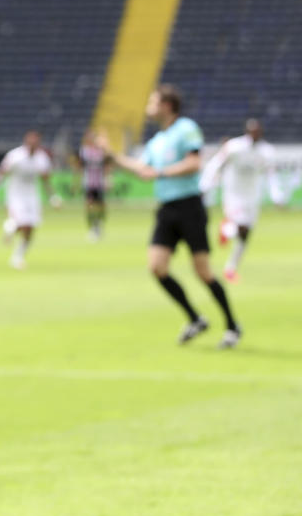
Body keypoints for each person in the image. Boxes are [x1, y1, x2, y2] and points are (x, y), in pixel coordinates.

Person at [99, 84, 241, 348]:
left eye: (152, 102)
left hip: (189, 207)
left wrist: (161, 173)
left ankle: (232, 326)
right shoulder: (158, 140)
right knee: (157, 267)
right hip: (167, 209)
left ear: (166, 105)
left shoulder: (186, 128)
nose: (148, 108)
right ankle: (195, 318)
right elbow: (143, 168)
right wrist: (113, 156)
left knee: (203, 272)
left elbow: (194, 163)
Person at [199, 118, 285, 281]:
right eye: (252, 131)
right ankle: (227, 229)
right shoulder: (234, 147)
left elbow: (271, 175)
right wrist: (205, 186)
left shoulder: (267, 151)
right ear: (247, 132)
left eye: (257, 131)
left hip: (252, 196)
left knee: (245, 234)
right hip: (233, 194)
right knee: (242, 227)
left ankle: (231, 268)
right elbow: (215, 164)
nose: (255, 134)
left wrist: (277, 196)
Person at [0, 129, 60, 269]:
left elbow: (46, 180)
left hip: (32, 196)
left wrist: (53, 197)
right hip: (15, 195)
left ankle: (17, 256)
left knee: (30, 228)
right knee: (21, 223)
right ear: (26, 140)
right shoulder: (15, 156)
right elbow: (1, 173)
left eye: (36, 140)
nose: (33, 143)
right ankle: (10, 226)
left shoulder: (42, 158)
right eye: (31, 140)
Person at [74, 129, 112, 241]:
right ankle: (92, 227)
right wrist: (76, 182)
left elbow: (107, 166)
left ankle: (99, 224)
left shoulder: (101, 152)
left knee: (101, 207)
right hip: (89, 183)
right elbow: (79, 167)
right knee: (89, 206)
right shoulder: (84, 152)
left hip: (100, 183)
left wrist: (108, 180)